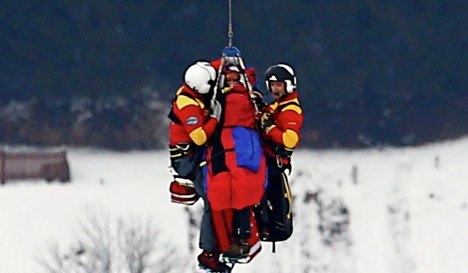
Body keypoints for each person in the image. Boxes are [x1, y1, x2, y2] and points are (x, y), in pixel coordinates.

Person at [167, 61, 230, 272]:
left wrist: (226, 61)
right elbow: (200, 136)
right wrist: (214, 117)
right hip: (188, 161)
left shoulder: (193, 89)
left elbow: (207, 72)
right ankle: (209, 253)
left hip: (195, 154)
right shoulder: (188, 105)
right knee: (213, 200)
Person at [205, 64, 267, 261]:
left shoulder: (245, 96)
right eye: (228, 79)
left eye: (235, 79)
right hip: (231, 146)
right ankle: (238, 239)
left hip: (238, 146)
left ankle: (241, 238)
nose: (232, 83)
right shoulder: (229, 96)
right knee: (230, 195)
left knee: (239, 195)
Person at [258, 63, 303, 239]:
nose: (275, 89)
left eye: (279, 85)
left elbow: (290, 140)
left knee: (274, 203)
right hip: (266, 161)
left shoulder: (290, 109)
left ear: (289, 85)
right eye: (273, 85)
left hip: (274, 165)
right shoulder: (276, 105)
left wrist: (269, 129)